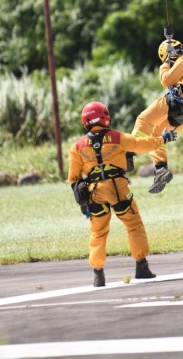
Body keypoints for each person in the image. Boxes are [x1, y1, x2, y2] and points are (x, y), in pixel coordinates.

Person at [67, 100, 177, 287]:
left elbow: (73, 179)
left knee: (98, 232)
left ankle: (98, 275)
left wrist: (83, 204)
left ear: (85, 121)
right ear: (105, 117)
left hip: (95, 194)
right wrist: (164, 139)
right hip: (118, 190)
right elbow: (142, 145)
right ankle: (141, 267)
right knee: (133, 224)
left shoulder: (77, 147)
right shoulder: (117, 137)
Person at [131, 37, 183, 194]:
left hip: (178, 102)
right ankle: (161, 168)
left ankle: (130, 151)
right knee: (157, 134)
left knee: (144, 119)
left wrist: (164, 65)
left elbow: (166, 80)